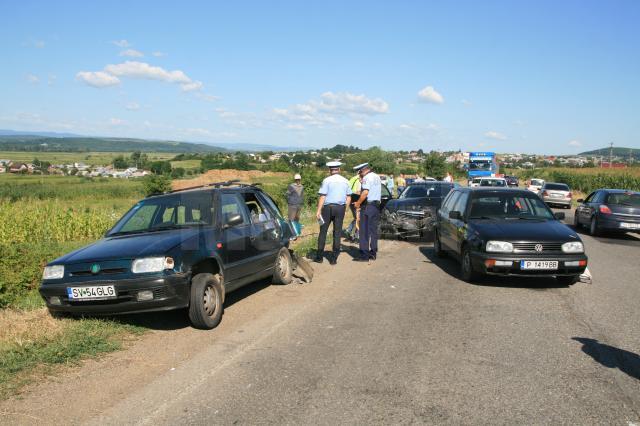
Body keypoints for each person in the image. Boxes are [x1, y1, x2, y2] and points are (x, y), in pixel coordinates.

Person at [315, 162, 352, 265]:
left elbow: (323, 196)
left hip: (327, 208)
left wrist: (318, 210)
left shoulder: (326, 180)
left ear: (330, 170)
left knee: (323, 231)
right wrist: (346, 208)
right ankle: (334, 258)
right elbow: (349, 196)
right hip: (340, 208)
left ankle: (319, 257)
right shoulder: (346, 181)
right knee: (337, 232)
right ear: (339, 170)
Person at [353, 162, 381, 262]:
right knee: (373, 231)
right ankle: (373, 253)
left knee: (364, 231)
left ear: (364, 170)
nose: (359, 173)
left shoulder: (367, 178)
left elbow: (365, 192)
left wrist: (358, 203)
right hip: (376, 206)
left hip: (367, 206)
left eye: (360, 171)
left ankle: (364, 255)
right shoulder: (376, 176)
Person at [346, 172, 362, 242]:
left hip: (350, 199)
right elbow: (358, 191)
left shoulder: (352, 178)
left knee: (356, 218)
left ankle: (350, 231)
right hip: (357, 200)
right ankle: (356, 236)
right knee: (359, 219)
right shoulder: (360, 179)